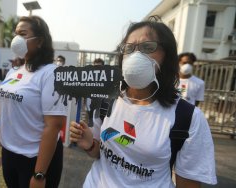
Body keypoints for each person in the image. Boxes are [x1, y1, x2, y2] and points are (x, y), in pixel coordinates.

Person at [69, 17, 217, 187]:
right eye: (129, 48)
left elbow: (188, 183)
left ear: (166, 56)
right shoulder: (106, 100)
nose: (135, 55)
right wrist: (89, 145)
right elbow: (100, 154)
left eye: (148, 47)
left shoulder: (188, 118)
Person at [0, 15, 67, 188]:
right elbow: (1, 105)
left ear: (39, 41)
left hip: (35, 158)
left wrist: (39, 175)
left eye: (22, 34)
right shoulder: (15, 71)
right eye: (16, 33)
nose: (16, 39)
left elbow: (53, 127)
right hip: (10, 152)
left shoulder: (51, 74)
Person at [85, 58, 105, 127]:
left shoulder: (106, 79)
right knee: (90, 126)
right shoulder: (89, 78)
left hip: (101, 108)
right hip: (90, 108)